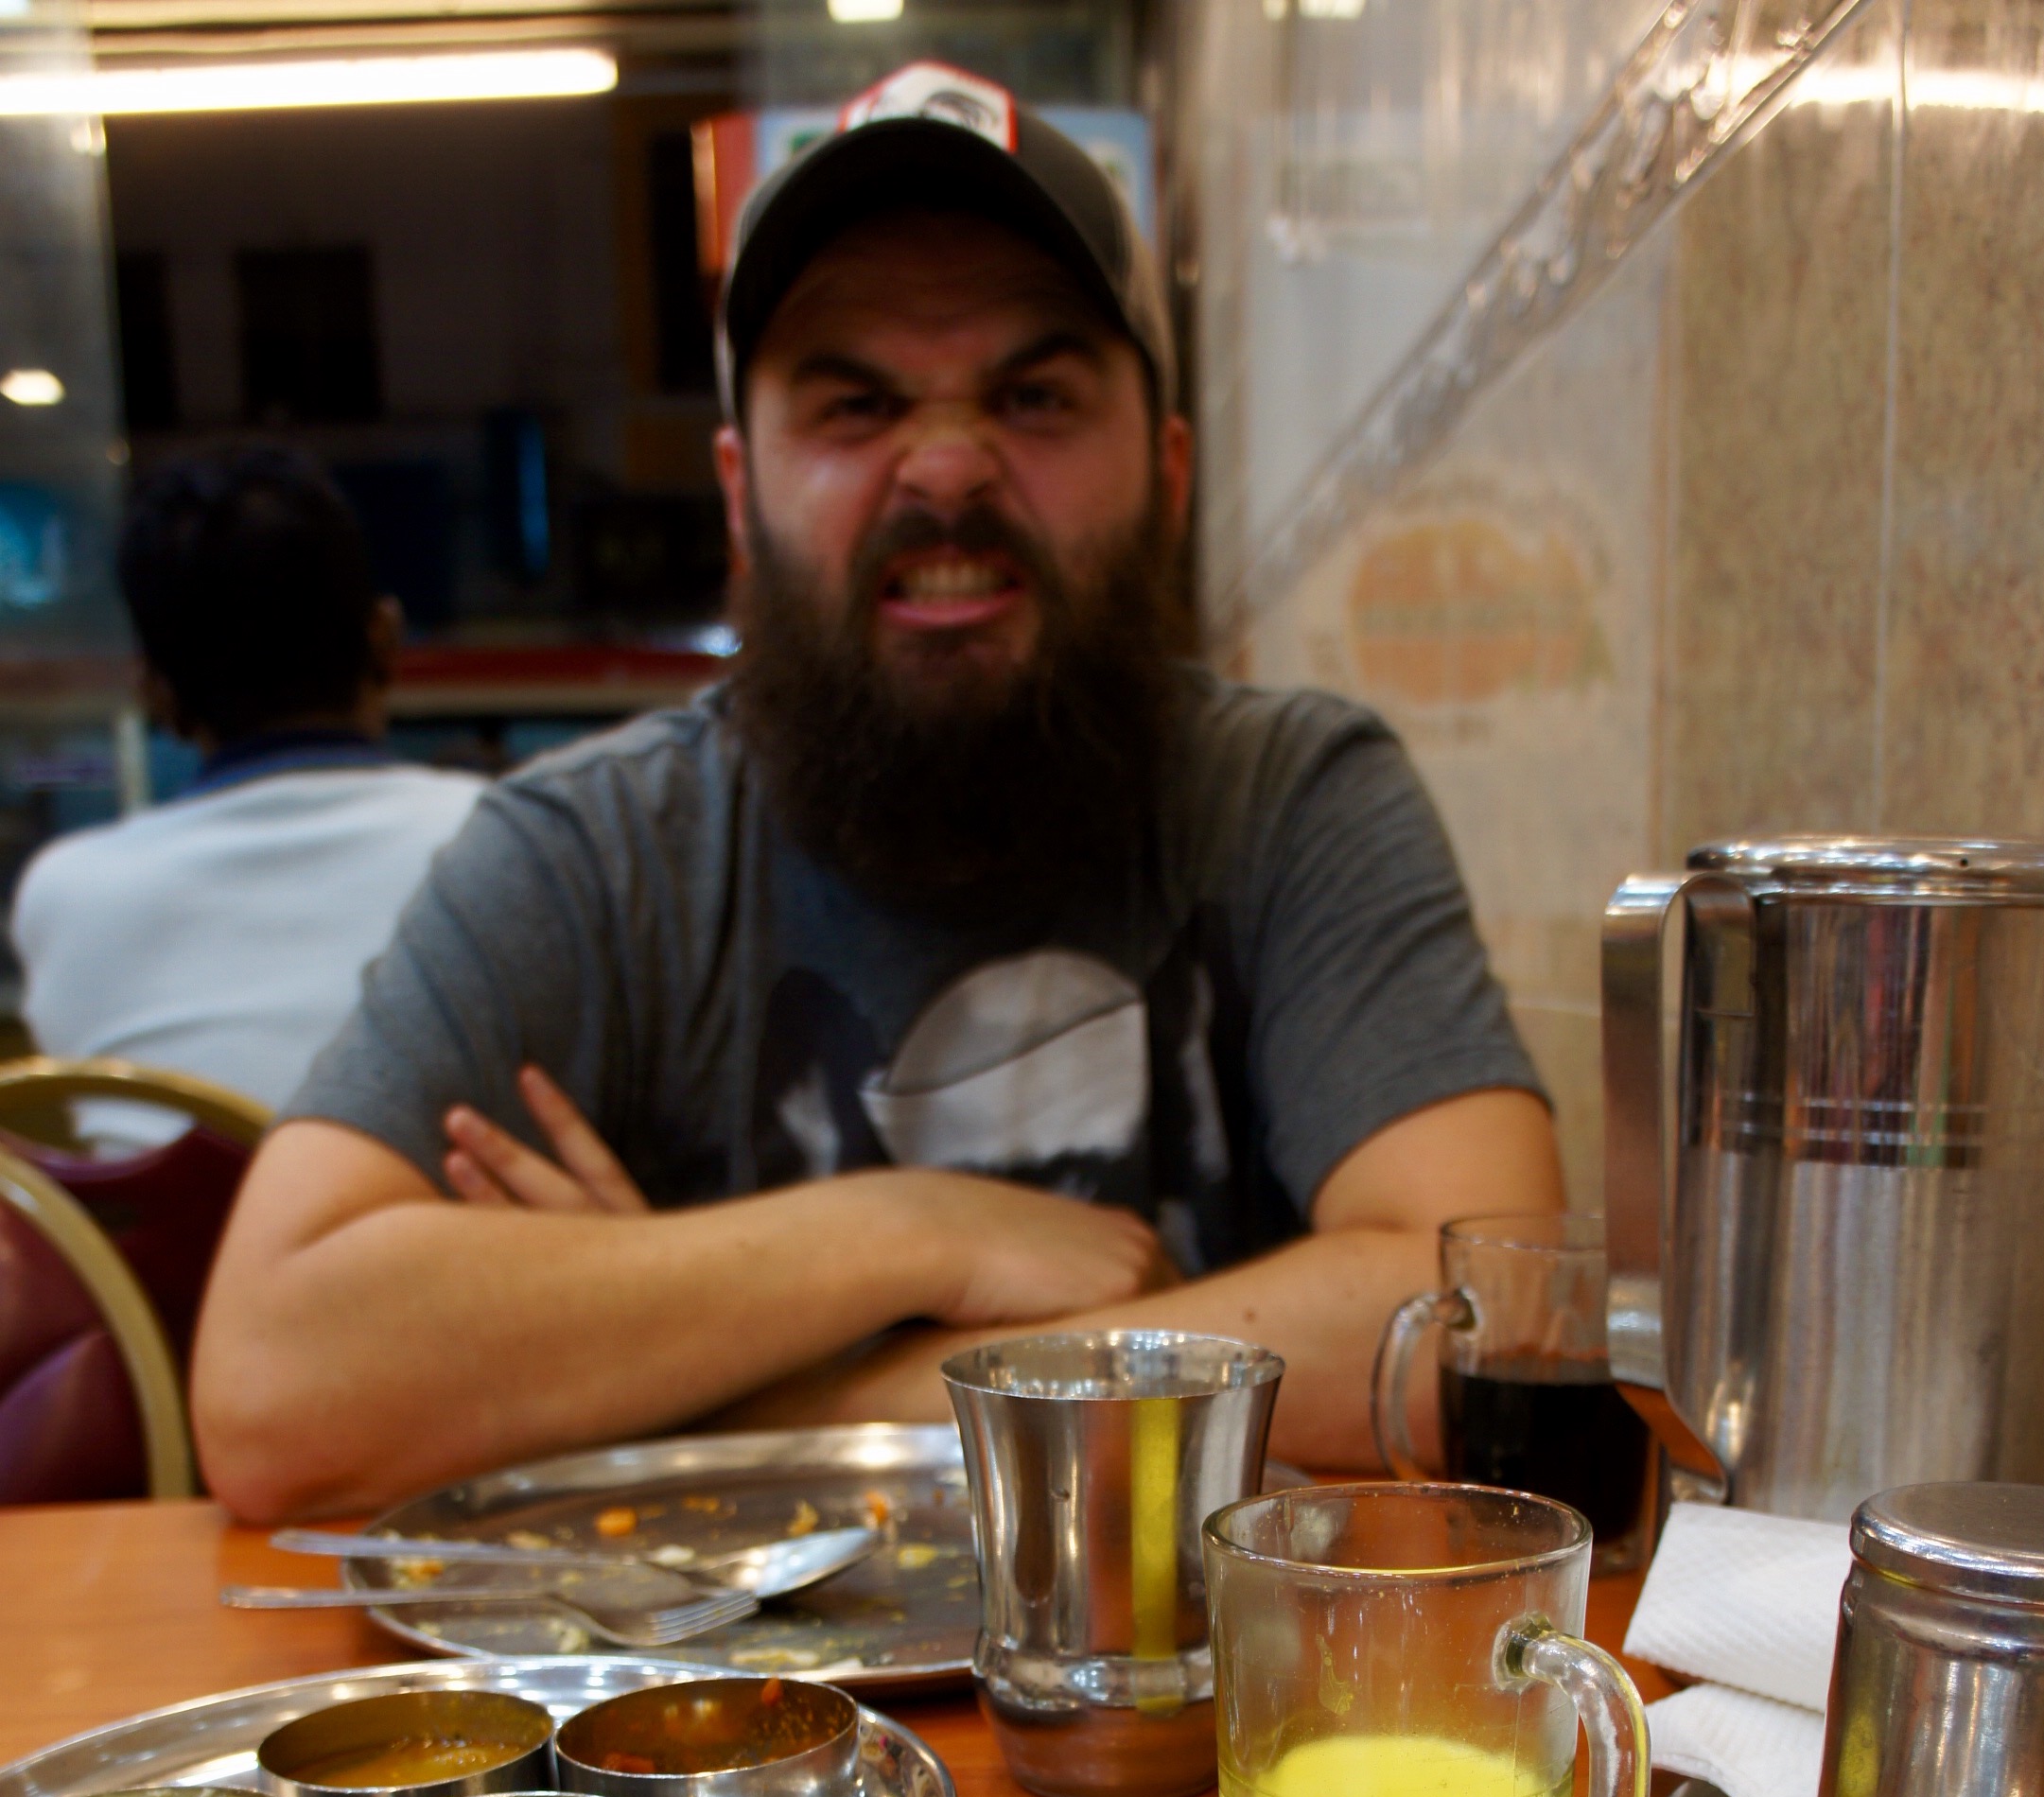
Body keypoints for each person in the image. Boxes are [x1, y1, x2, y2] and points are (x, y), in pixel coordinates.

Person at [193, 62, 1562, 1518]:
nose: (949, 470)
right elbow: (276, 1394)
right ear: (740, 491)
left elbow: (1495, 1329)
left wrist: (750, 1399)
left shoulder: (1292, 799)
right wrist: (910, 1231)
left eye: (1035, 396)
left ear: (1168, 474)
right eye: (855, 405)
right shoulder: (592, 857)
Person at [9, 447, 480, 1116]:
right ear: (385, 638)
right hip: (427, 1191)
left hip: (182, 1195)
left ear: (153, 692)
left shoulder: (65, 891)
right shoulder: (505, 840)